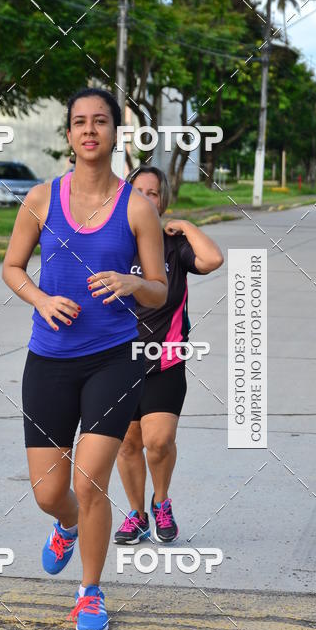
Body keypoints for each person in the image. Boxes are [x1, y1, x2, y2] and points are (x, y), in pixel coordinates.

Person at [2, 89, 168, 630]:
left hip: (112, 361)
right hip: (49, 359)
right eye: (80, 122)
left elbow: (159, 291)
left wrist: (132, 282)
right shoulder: (41, 199)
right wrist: (41, 299)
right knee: (51, 492)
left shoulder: (136, 206)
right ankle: (66, 524)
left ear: (116, 133)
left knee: (90, 477)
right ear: (69, 134)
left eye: (100, 121)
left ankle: (90, 592)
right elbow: (12, 267)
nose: (90, 130)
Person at [113, 166, 223, 545]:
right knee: (127, 443)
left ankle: (161, 502)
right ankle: (137, 514)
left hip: (166, 358)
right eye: (139, 191)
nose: (146, 198)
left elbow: (212, 260)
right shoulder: (114, 242)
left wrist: (187, 226)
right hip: (116, 361)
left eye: (154, 193)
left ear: (164, 200)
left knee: (158, 441)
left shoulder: (172, 245)